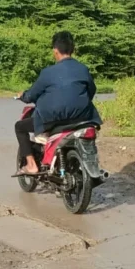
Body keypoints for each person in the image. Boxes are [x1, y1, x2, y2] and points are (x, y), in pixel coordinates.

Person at [14, 31, 101, 176]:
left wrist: (22, 95)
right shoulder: (83, 69)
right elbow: (91, 91)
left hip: (54, 119)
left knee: (19, 127)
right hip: (83, 118)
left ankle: (31, 165)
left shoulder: (48, 73)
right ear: (72, 49)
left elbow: (31, 95)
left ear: (55, 51)